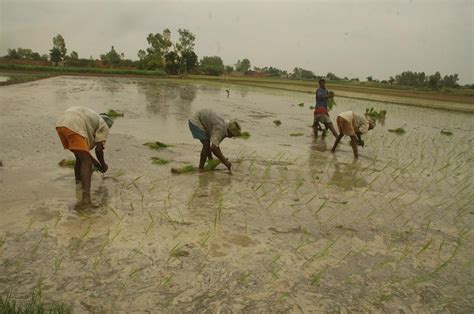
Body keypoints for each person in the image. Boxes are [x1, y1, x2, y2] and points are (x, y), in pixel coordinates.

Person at [56, 106, 114, 205]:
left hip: (61, 124)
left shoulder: (91, 121)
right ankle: (86, 200)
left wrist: (95, 162)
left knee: (80, 159)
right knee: (87, 163)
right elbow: (99, 149)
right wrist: (103, 165)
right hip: (74, 124)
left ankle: (78, 185)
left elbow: (84, 153)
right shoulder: (104, 126)